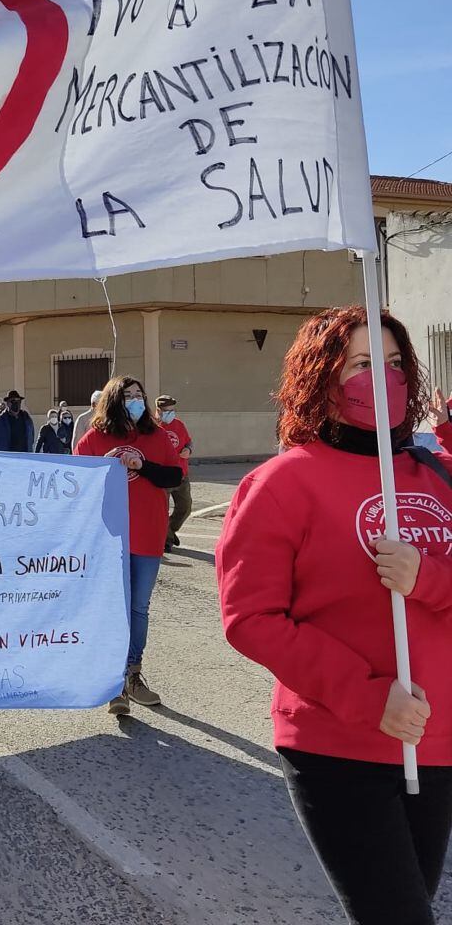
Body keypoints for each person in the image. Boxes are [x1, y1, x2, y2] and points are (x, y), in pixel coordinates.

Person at [217, 307, 452, 925]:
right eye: (364, 364)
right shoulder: (281, 484)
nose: (385, 377)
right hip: (341, 743)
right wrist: (370, 697)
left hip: (435, 740)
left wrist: (425, 579)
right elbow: (251, 616)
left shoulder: (435, 476)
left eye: (396, 363)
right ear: (323, 376)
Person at [74, 377, 182, 715]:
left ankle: (134, 673)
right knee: (114, 608)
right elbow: (76, 484)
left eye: (139, 396)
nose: (136, 401)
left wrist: (142, 465)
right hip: (110, 538)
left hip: (148, 533)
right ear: (113, 401)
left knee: (138, 607)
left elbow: (174, 476)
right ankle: (113, 683)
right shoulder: (96, 437)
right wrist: (102, 468)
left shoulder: (157, 436)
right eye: (128, 396)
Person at [154, 395, 194, 553]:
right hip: (164, 475)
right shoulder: (153, 427)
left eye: (172, 410)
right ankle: (167, 539)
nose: (170, 414)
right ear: (158, 411)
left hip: (181, 473)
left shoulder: (179, 425)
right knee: (162, 510)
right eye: (166, 411)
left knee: (185, 508)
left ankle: (168, 533)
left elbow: (189, 441)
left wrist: (188, 450)